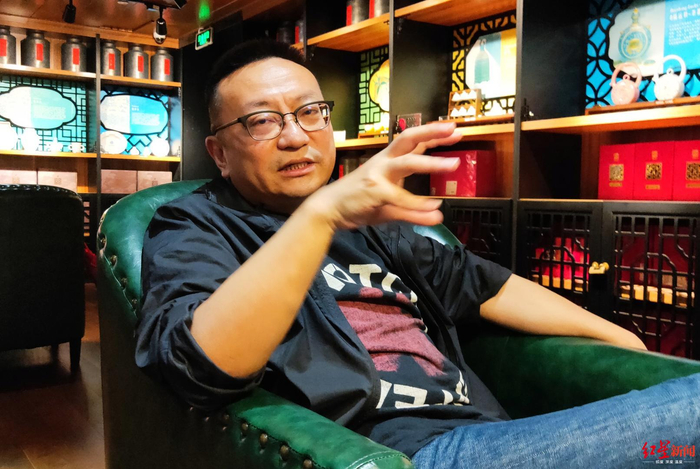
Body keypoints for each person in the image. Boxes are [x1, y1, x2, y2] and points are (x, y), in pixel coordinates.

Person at [136, 40, 699, 468]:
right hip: (405, 454)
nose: (295, 136)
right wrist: (318, 216)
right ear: (219, 153)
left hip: (489, 435)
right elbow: (200, 368)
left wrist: (621, 338)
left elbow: (484, 283)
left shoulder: (372, 229)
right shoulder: (193, 225)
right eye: (262, 121)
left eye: (311, 112)